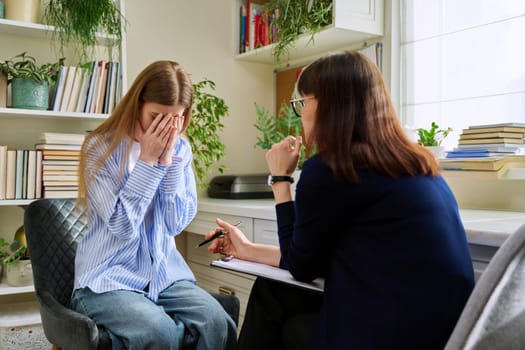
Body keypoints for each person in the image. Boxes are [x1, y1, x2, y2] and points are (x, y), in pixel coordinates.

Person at [205, 51, 475, 349]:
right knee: (275, 292)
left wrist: (281, 179)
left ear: (328, 105)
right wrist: (248, 249)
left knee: (282, 311)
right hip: (445, 335)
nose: (301, 112)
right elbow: (313, 259)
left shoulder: (330, 169)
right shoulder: (419, 164)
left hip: (392, 336)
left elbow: (302, 267)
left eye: (302, 101)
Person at [72, 61, 237, 350]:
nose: (166, 128)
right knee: (159, 332)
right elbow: (122, 226)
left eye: (175, 119)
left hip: (165, 275)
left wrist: (168, 160)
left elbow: (175, 224)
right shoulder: (99, 148)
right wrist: (148, 162)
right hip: (107, 278)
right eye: (157, 117)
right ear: (137, 105)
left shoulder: (181, 149)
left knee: (217, 323)